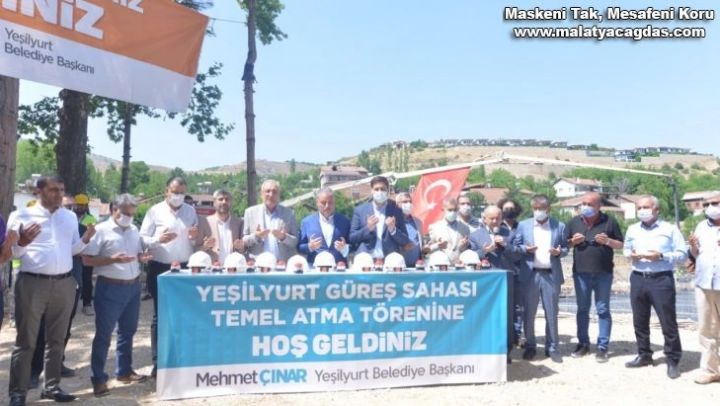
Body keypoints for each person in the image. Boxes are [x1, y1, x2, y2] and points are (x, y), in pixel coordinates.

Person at [6, 174, 95, 406]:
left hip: (64, 283)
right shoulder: (21, 216)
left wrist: (85, 239)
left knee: (57, 339)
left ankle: (52, 387)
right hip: (32, 283)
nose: (59, 194)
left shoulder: (69, 217)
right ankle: (18, 392)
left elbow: (72, 249)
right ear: (39, 192)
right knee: (26, 340)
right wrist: (22, 243)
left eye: (61, 189)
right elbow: (11, 254)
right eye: (53, 189)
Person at [82, 194, 151, 397]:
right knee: (104, 335)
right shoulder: (101, 230)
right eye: (126, 213)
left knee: (128, 332)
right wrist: (112, 260)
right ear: (114, 210)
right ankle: (99, 379)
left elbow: (135, 255)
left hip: (133, 287)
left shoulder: (134, 230)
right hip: (110, 288)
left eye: (132, 214)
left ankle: (124, 371)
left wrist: (142, 257)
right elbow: (87, 259)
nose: (129, 217)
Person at [139, 176, 198, 378]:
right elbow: (141, 238)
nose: (178, 196)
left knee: (184, 314)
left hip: (185, 269)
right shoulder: (154, 211)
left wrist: (194, 237)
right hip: (160, 268)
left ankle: (181, 359)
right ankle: (159, 363)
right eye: (174, 192)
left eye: (181, 192)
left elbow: (194, 238)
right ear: (166, 191)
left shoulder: (190, 211)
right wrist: (158, 239)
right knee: (160, 315)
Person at [623, 194, 687, 379]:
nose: (642, 211)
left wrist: (661, 256)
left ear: (656, 209)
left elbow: (682, 253)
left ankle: (672, 359)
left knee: (667, 321)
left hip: (661, 279)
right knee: (639, 320)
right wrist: (631, 254)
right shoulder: (633, 229)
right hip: (638, 277)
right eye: (639, 208)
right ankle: (644, 354)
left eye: (646, 207)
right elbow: (626, 249)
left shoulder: (670, 229)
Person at [564, 192, 624, 363]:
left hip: (604, 273)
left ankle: (602, 347)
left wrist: (607, 241)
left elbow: (621, 244)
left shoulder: (610, 221)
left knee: (603, 310)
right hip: (580, 273)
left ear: (599, 206)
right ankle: (583, 344)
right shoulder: (574, 222)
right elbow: (564, 245)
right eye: (583, 203)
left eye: (589, 204)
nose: (585, 207)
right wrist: (572, 242)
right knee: (582, 309)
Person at [29, 195, 81, 389]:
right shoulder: (42, 226)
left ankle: (57, 364)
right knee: (41, 331)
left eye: (71, 206)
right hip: (45, 285)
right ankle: (34, 371)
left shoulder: (77, 225)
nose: (68, 209)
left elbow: (81, 252)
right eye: (65, 205)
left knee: (64, 329)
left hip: (71, 283)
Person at [512, 194, 568, 363]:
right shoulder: (523, 225)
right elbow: (516, 247)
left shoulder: (559, 226)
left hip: (551, 274)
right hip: (531, 274)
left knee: (552, 312)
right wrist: (525, 249)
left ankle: (552, 348)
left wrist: (559, 252)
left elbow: (566, 248)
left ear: (548, 209)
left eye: (541, 208)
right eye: (535, 208)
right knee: (529, 313)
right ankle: (530, 345)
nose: (538, 211)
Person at [469, 205, 515, 362]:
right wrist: (485, 251)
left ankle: (506, 351)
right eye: (492, 218)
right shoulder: (475, 236)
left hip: (506, 280)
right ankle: (486, 349)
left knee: (506, 316)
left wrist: (506, 245)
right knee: (485, 316)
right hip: (485, 282)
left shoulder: (510, 234)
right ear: (484, 219)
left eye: (498, 218)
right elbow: (470, 256)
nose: (495, 221)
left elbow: (519, 254)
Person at [688, 191, 720, 384]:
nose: (710, 207)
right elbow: (695, 254)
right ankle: (710, 370)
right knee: (707, 329)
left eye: (714, 203)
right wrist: (693, 246)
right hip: (704, 283)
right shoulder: (701, 226)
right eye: (706, 204)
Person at [349, 176, 410, 259]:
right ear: (371, 190)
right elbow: (352, 238)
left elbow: (405, 240)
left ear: (387, 191)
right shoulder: (360, 210)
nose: (379, 192)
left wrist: (393, 230)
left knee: (397, 260)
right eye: (376, 189)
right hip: (366, 256)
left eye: (383, 189)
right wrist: (368, 229)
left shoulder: (396, 211)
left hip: (390, 256)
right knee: (362, 260)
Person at [242, 179, 298, 263]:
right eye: (267, 191)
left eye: (274, 192)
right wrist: (256, 236)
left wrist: (283, 237)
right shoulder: (250, 212)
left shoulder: (289, 213)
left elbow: (295, 241)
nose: (271, 195)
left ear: (278, 195)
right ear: (261, 194)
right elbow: (244, 240)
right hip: (258, 264)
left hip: (281, 264)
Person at [497, 197, 525, 348]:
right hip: (499, 272)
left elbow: (521, 251)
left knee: (517, 307)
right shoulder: (497, 226)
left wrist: (505, 246)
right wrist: (512, 248)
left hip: (517, 272)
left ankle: (516, 335)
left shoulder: (522, 227)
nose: (509, 211)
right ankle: (503, 335)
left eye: (512, 208)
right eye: (506, 208)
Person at [297, 188, 351, 266]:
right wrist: (310, 246)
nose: (327, 206)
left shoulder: (344, 221)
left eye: (330, 202)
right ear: (317, 202)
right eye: (323, 203)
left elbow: (353, 245)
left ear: (335, 202)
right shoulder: (307, 222)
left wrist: (345, 248)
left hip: (339, 268)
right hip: (315, 269)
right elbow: (299, 247)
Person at [196, 189, 245, 264]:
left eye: (227, 199)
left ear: (231, 202)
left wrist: (240, 248)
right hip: (212, 267)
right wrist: (205, 246)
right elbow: (195, 250)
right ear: (214, 202)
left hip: (233, 267)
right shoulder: (205, 222)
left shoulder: (239, 222)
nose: (224, 202)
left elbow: (244, 250)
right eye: (220, 199)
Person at [75, 193, 98, 317]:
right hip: (72, 254)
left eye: (82, 205)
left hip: (85, 255)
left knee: (87, 280)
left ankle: (87, 304)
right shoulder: (70, 217)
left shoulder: (91, 219)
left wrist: (86, 252)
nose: (80, 207)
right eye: (78, 204)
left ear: (86, 205)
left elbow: (94, 238)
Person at [427, 198, 470, 263]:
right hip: (442, 264)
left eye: (455, 210)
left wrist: (464, 245)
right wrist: (438, 245)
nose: (453, 212)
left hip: (460, 264)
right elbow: (427, 250)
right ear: (443, 210)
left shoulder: (465, 227)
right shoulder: (434, 227)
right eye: (450, 210)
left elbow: (468, 249)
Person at [395, 192, 424, 267]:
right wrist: (403, 249)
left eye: (410, 202)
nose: (409, 204)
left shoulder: (418, 222)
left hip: (417, 266)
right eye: (405, 202)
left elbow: (421, 243)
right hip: (399, 266)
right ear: (397, 205)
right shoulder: (393, 222)